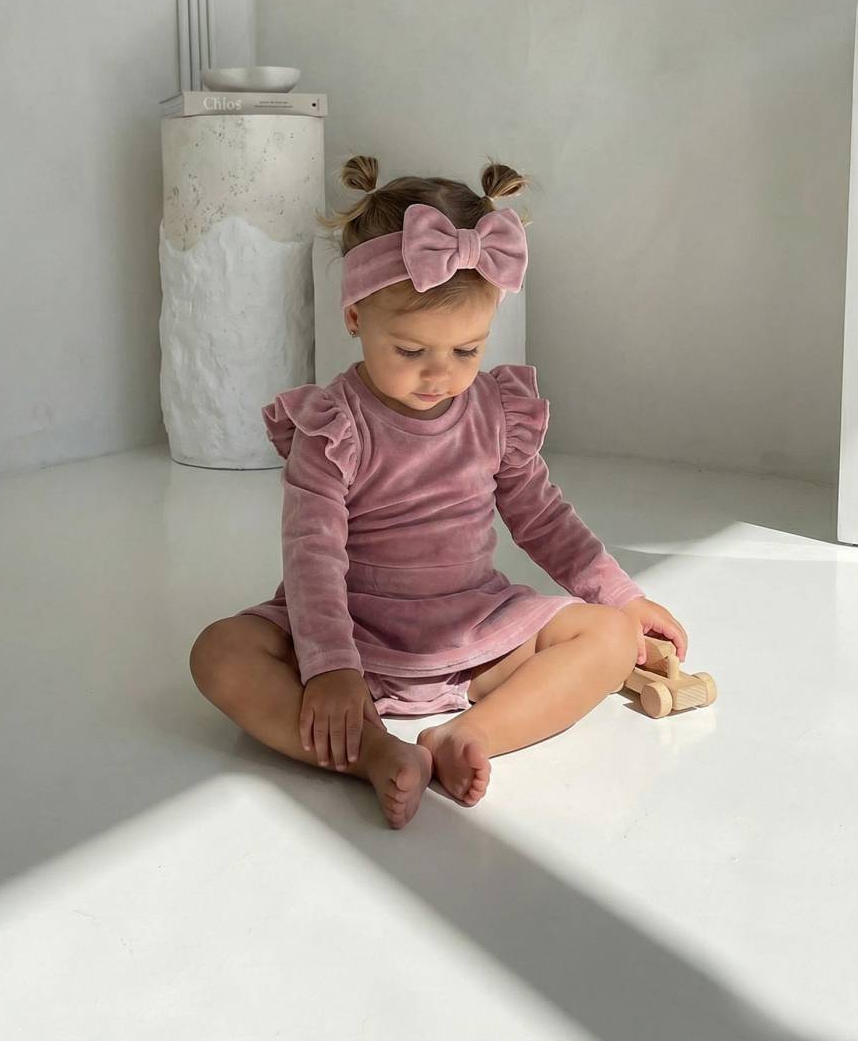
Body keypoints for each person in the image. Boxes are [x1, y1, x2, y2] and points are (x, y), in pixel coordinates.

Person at [189, 154, 689, 830]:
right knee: (219, 653)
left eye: (466, 351)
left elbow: (544, 519)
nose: (439, 376)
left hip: (473, 626)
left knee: (606, 635)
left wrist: (621, 596)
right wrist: (331, 667)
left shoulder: (494, 412)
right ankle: (372, 752)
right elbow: (312, 557)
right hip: (350, 629)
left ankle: (468, 735)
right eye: (410, 351)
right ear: (354, 316)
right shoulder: (333, 426)